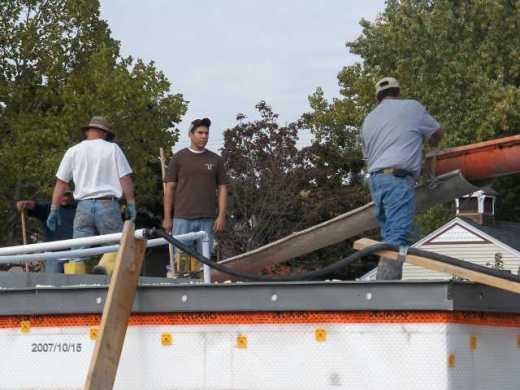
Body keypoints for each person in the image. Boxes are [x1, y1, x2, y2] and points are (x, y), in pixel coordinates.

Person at [361, 77, 444, 280]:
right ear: (397, 92)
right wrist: (426, 144)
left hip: (376, 182)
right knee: (397, 238)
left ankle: (388, 284)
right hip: (397, 180)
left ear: (377, 98)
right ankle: (385, 292)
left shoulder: (368, 120)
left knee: (392, 234)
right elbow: (437, 133)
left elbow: (369, 155)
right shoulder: (412, 108)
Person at [48, 116, 136, 270]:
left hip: (83, 207)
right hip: (106, 204)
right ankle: (105, 273)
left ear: (88, 131)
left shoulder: (73, 151)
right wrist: (131, 203)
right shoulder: (113, 149)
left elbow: (61, 183)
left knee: (77, 253)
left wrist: (54, 209)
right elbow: (125, 179)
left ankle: (74, 286)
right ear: (104, 133)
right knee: (115, 248)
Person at [162, 118, 228, 266]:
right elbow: (169, 189)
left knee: (203, 263)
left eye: (206, 133)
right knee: (182, 262)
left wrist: (221, 216)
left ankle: (202, 287)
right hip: (182, 219)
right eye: (200, 132)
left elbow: (223, 188)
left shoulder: (216, 159)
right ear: (190, 134)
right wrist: (167, 217)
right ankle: (182, 287)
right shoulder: (178, 158)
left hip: (208, 220)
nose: (204, 136)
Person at [16, 191, 76, 273]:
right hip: (54, 255)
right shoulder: (48, 208)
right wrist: (25, 204)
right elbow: (35, 207)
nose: (64, 198)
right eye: (62, 195)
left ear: (73, 195)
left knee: (76, 282)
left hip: (75, 254)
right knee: (52, 283)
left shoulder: (79, 208)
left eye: (67, 195)